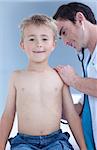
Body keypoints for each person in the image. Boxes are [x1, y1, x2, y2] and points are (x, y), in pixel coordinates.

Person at [0, 14, 86, 150]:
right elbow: (8, 114)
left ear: (53, 45)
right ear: (22, 45)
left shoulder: (59, 77)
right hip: (24, 142)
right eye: (32, 39)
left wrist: (83, 147)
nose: (38, 44)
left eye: (44, 39)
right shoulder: (17, 77)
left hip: (56, 140)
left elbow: (71, 114)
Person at [53, 2, 97, 150]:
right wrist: (50, 109)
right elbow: (83, 108)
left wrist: (73, 80)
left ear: (79, 19)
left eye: (64, 32)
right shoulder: (88, 59)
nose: (64, 42)